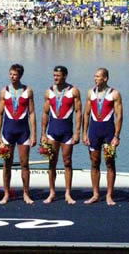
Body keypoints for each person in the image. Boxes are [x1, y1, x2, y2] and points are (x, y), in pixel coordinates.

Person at [0, 64, 37, 204]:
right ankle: (6, 194)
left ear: (20, 76)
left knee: (25, 163)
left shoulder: (28, 91)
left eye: (15, 74)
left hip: (23, 132)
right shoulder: (4, 91)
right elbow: (0, 114)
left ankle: (26, 193)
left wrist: (34, 135)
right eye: (10, 74)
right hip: (8, 132)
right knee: (7, 163)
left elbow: (31, 113)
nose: (12, 77)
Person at [41, 65, 82, 204]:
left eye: (58, 76)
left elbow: (78, 112)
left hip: (67, 132)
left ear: (65, 76)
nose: (55, 78)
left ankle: (68, 194)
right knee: (52, 162)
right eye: (54, 76)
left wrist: (77, 132)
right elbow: (45, 113)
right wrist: (43, 134)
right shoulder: (49, 92)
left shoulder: (74, 91)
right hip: (52, 132)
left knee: (67, 161)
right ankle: (52, 192)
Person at [82, 68, 123, 205]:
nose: (95, 79)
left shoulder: (115, 94)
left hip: (108, 133)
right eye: (95, 76)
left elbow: (119, 116)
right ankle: (95, 194)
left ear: (105, 78)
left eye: (98, 77)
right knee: (94, 163)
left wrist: (116, 136)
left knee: (109, 163)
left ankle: (109, 195)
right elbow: (86, 114)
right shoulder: (90, 93)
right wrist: (84, 134)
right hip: (94, 132)